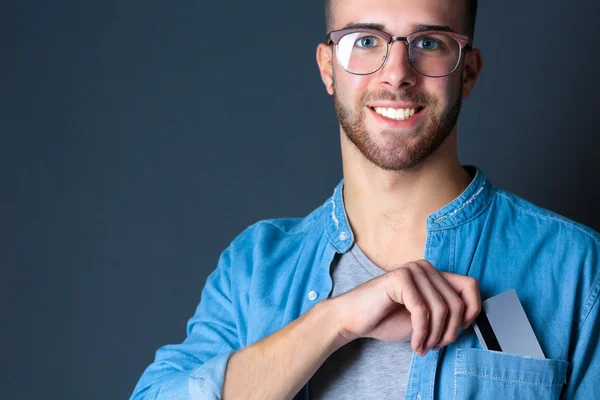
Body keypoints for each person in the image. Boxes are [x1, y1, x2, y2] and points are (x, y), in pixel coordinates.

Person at [131, 0, 600, 398]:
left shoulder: (574, 268)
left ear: (469, 72)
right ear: (327, 68)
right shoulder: (254, 271)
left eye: (430, 43)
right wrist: (333, 322)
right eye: (365, 40)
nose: (397, 75)